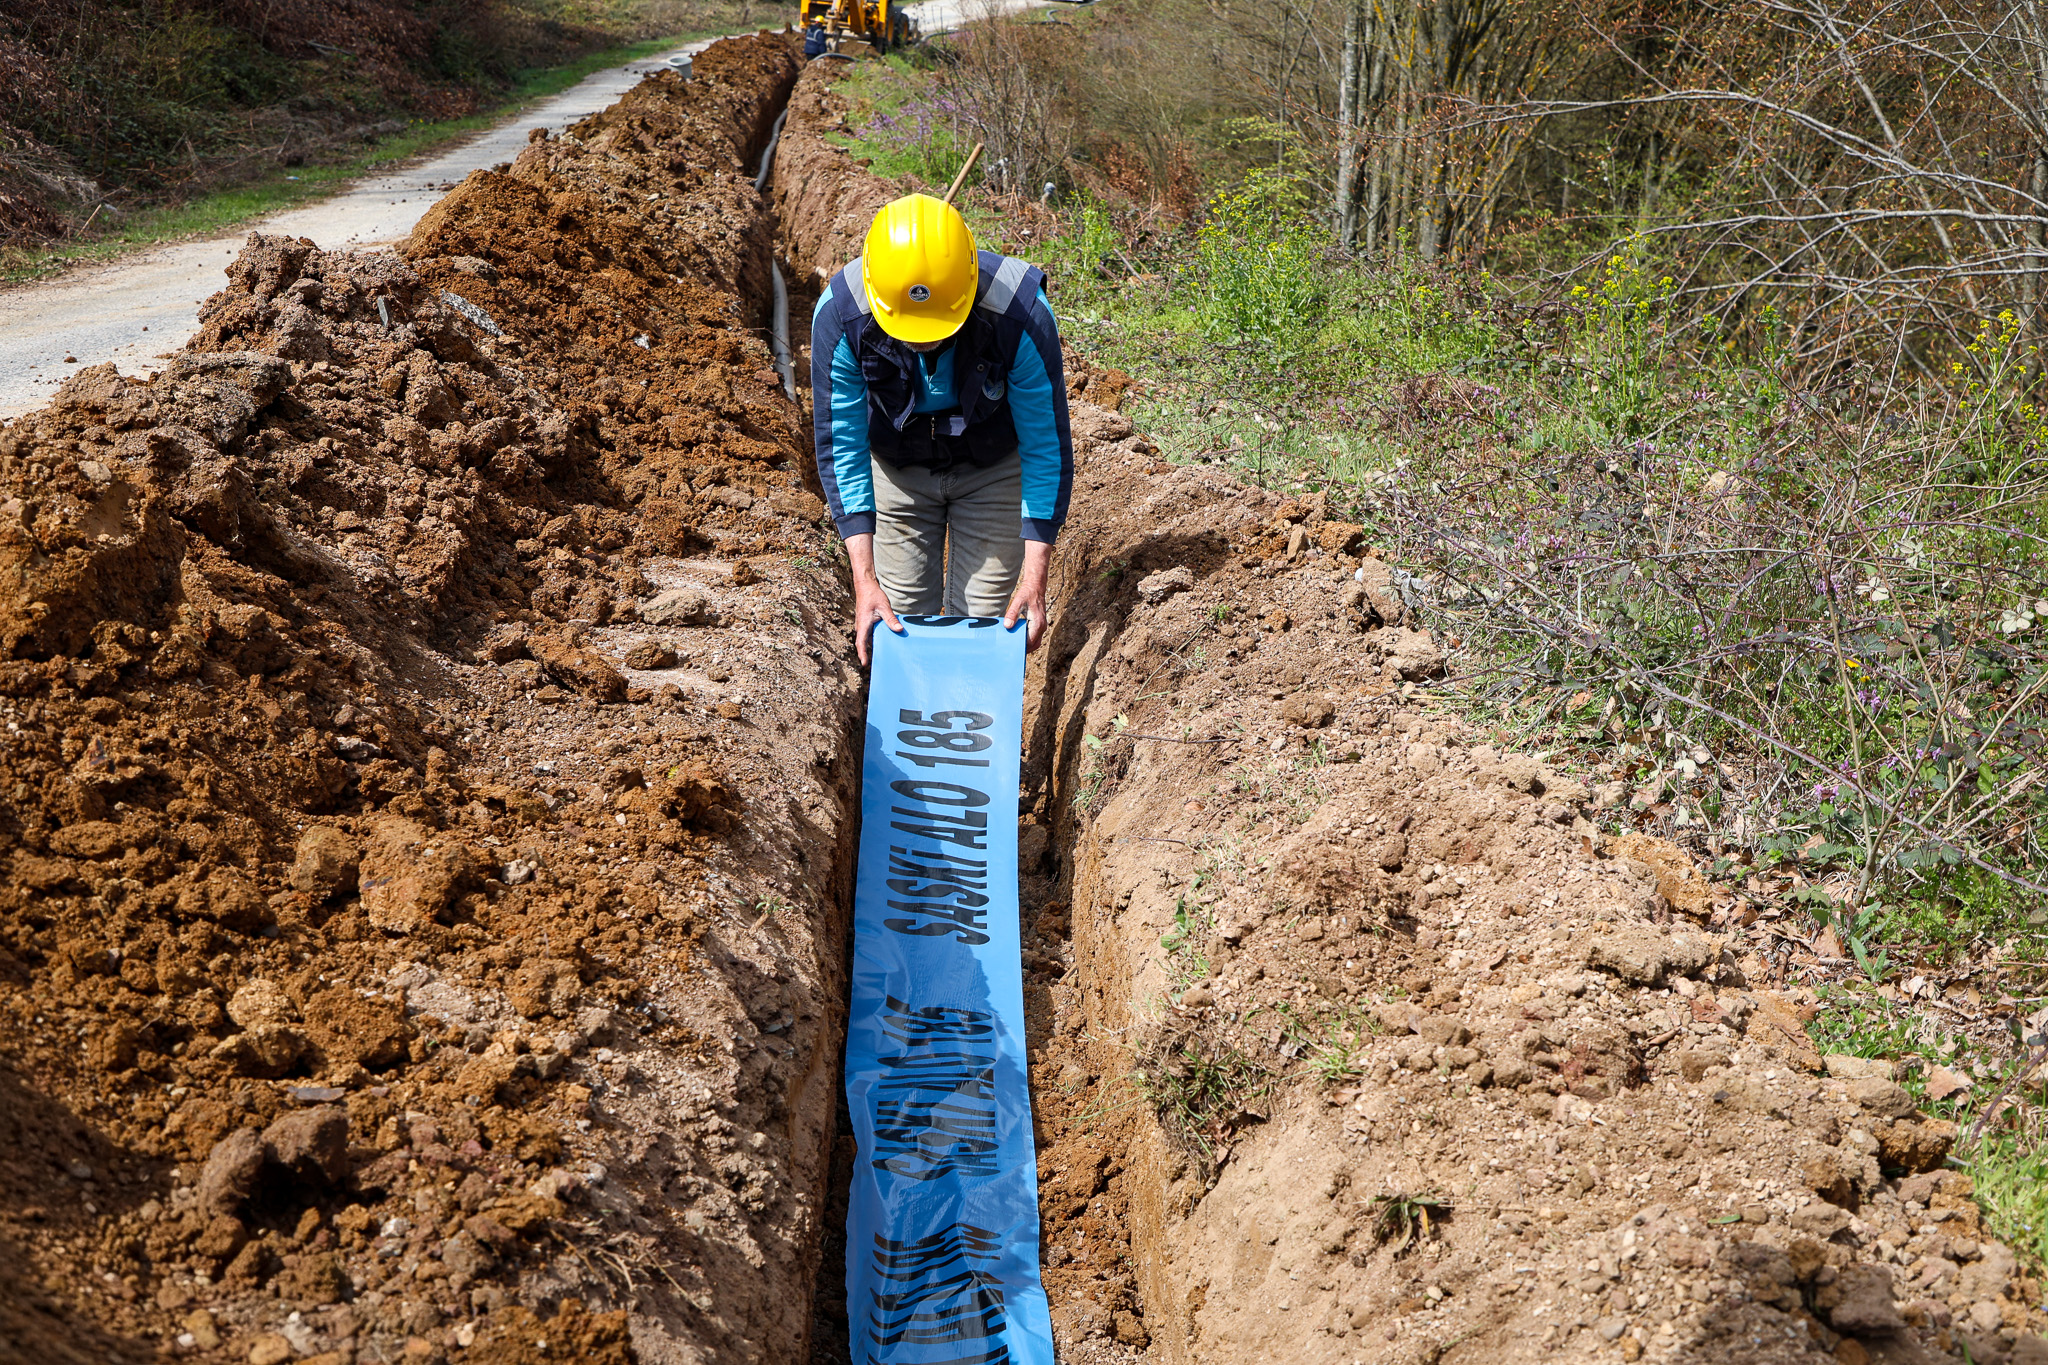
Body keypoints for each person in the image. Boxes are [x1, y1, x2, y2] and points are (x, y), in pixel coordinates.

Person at [810, 193, 1073, 663]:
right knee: (901, 624)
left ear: (968, 287)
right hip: (897, 470)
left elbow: (1045, 444)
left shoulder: (1020, 314)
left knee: (988, 628)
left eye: (939, 330)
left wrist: (1035, 579)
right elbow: (842, 445)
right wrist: (863, 580)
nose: (926, 342)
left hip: (994, 466)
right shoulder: (842, 315)